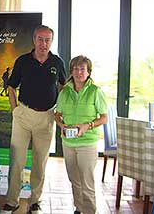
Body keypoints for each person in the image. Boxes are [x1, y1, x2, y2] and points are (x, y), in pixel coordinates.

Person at [0, 25, 66, 214]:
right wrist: (15, 110)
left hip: (46, 117)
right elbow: (11, 87)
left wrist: (58, 111)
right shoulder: (23, 61)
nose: (43, 44)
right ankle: (12, 201)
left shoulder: (57, 62)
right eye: (40, 39)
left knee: (40, 161)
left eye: (47, 40)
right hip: (23, 116)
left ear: (51, 42)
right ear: (34, 40)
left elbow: (64, 87)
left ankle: (35, 201)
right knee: (17, 160)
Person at [54, 55, 108, 214]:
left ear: (88, 72)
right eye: (75, 69)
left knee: (87, 182)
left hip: (87, 144)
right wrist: (61, 124)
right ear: (71, 71)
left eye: (82, 69)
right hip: (68, 143)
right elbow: (57, 114)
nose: (79, 72)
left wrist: (88, 125)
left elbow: (104, 118)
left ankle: (90, 211)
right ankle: (79, 209)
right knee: (74, 180)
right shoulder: (65, 92)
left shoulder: (95, 91)